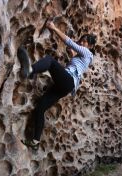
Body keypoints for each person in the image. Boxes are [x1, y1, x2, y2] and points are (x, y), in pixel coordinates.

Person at [17, 20, 97, 150]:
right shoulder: (82, 57)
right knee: (40, 108)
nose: (82, 43)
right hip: (64, 87)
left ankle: (31, 70)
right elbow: (76, 62)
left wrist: (54, 28)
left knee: (50, 61)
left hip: (68, 81)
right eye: (81, 40)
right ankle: (36, 141)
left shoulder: (88, 53)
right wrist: (72, 56)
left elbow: (69, 42)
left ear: (90, 46)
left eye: (85, 42)